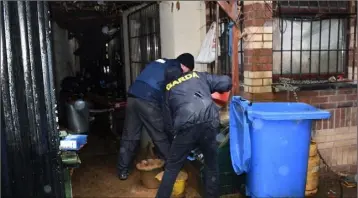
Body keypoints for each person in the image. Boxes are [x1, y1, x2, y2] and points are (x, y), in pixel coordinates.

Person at [155, 59, 232, 198]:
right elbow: (226, 82)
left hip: (186, 129)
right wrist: (216, 89)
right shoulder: (197, 76)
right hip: (209, 123)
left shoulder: (167, 91)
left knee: (172, 168)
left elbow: (168, 123)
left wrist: (177, 140)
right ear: (182, 71)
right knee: (211, 166)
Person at [117, 53, 195, 180]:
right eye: (188, 72)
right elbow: (171, 98)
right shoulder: (176, 70)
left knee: (129, 136)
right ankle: (173, 170)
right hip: (148, 101)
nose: (185, 75)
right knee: (160, 136)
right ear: (185, 66)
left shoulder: (161, 62)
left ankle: (122, 170)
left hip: (132, 97)